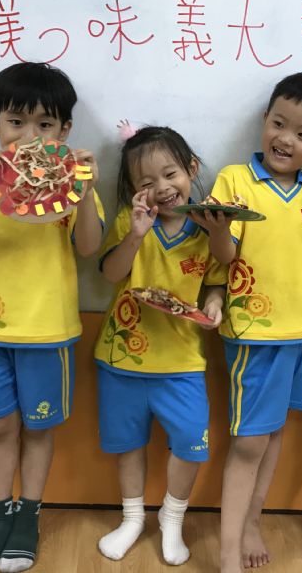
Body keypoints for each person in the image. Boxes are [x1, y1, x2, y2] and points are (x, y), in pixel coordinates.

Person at [0, 62, 104, 573]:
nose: (29, 136)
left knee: (38, 427)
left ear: (64, 131)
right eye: (16, 122)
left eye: (45, 125)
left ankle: (28, 516)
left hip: (48, 330)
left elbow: (89, 247)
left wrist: (86, 190)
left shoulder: (68, 182)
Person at [200, 72, 302, 572]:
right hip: (255, 334)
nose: (285, 138)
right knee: (249, 441)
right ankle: (227, 552)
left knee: (273, 432)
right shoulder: (234, 180)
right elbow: (224, 256)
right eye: (279, 123)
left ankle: (251, 522)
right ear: (265, 119)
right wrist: (218, 230)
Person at [95, 125, 227, 566]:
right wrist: (136, 234)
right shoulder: (128, 221)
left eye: (170, 174)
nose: (163, 188)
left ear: (191, 169)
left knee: (190, 441)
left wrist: (213, 303)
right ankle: (132, 518)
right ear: (135, 190)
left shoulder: (206, 228)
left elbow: (217, 278)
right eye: (147, 182)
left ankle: (172, 519)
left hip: (182, 361)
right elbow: (111, 275)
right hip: (122, 358)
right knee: (127, 443)